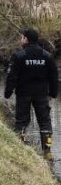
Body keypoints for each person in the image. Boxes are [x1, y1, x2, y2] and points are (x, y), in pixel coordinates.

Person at [4, 27, 58, 160]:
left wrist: (8, 92)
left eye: (22, 37)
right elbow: (53, 76)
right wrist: (53, 93)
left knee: (21, 121)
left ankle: (20, 149)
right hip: (41, 94)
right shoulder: (47, 56)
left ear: (26, 39)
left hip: (23, 94)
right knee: (45, 122)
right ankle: (47, 151)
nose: (20, 39)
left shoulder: (19, 56)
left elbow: (12, 76)